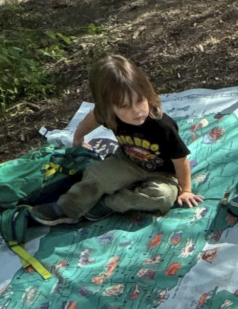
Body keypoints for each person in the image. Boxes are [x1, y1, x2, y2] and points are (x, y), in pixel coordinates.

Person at [29, 54, 200, 225]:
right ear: (109, 107)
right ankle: (67, 209)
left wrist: (186, 190)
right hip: (128, 161)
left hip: (163, 173)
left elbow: (181, 160)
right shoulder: (108, 114)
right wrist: (79, 137)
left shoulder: (162, 125)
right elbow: (93, 118)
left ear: (148, 94)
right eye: (125, 106)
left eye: (140, 100)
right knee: (95, 175)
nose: (136, 111)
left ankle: (110, 204)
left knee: (163, 197)